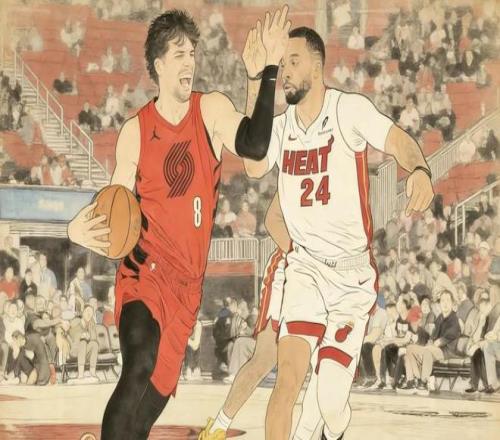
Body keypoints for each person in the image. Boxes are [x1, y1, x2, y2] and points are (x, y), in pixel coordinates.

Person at [67, 7, 290, 440]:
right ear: (158, 65)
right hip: (144, 273)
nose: (190, 62)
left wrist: (266, 71)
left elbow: (255, 146)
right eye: (179, 54)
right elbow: (115, 201)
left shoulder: (211, 110)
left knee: (145, 414)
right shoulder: (136, 130)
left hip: (188, 289)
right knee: (140, 363)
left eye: (193, 53)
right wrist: (77, 228)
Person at [239, 24, 434, 440]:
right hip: (306, 270)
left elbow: (397, 140)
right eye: (282, 64)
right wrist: (257, 78)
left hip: (350, 277)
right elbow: (253, 164)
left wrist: (419, 168)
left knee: (329, 402)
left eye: (293, 62)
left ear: (317, 66)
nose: (285, 72)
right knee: (287, 379)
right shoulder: (281, 126)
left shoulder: (348, 110)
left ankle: (333, 428)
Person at [67, 304, 99, 384]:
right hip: (74, 350)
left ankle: (92, 373)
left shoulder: (91, 324)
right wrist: (81, 335)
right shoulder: (76, 321)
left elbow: (94, 338)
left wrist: (90, 334)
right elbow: (71, 333)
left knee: (94, 344)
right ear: (83, 312)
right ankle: (80, 374)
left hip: (85, 352)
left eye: (91, 312)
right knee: (83, 342)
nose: (89, 314)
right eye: (87, 311)